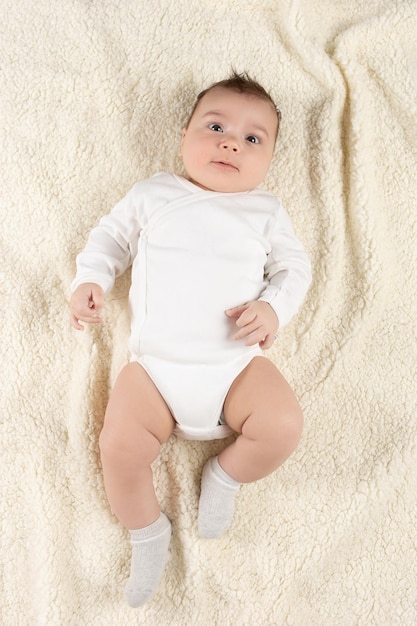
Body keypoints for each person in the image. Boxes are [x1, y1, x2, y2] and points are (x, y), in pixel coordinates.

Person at [69, 71, 312, 607]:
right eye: (216, 125)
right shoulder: (154, 193)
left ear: (269, 161)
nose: (230, 142)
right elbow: (110, 237)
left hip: (236, 368)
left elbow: (294, 269)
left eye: (253, 139)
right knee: (119, 446)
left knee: (284, 425)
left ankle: (226, 475)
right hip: (156, 370)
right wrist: (92, 278)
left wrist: (272, 308)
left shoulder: (265, 211)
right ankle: (147, 532)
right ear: (184, 137)